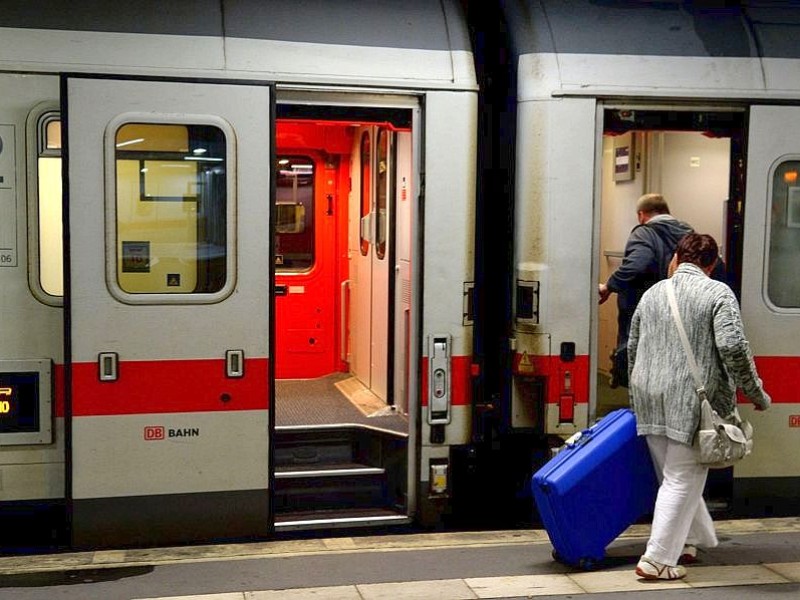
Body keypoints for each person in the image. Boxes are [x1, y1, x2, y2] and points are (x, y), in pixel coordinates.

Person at [627, 233, 770, 580]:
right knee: (681, 478)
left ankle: (689, 541)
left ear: (676, 257)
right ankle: (656, 560)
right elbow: (733, 346)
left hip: (650, 399)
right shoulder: (718, 292)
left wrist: (637, 394)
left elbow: (633, 345)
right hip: (692, 404)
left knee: (674, 476)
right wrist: (756, 392)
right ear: (712, 263)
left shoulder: (652, 294)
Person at [599, 193, 693, 388]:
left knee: (639, 361)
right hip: (679, 308)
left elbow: (636, 265)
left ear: (642, 215)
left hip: (644, 306)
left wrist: (610, 286)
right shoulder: (689, 235)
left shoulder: (644, 233)